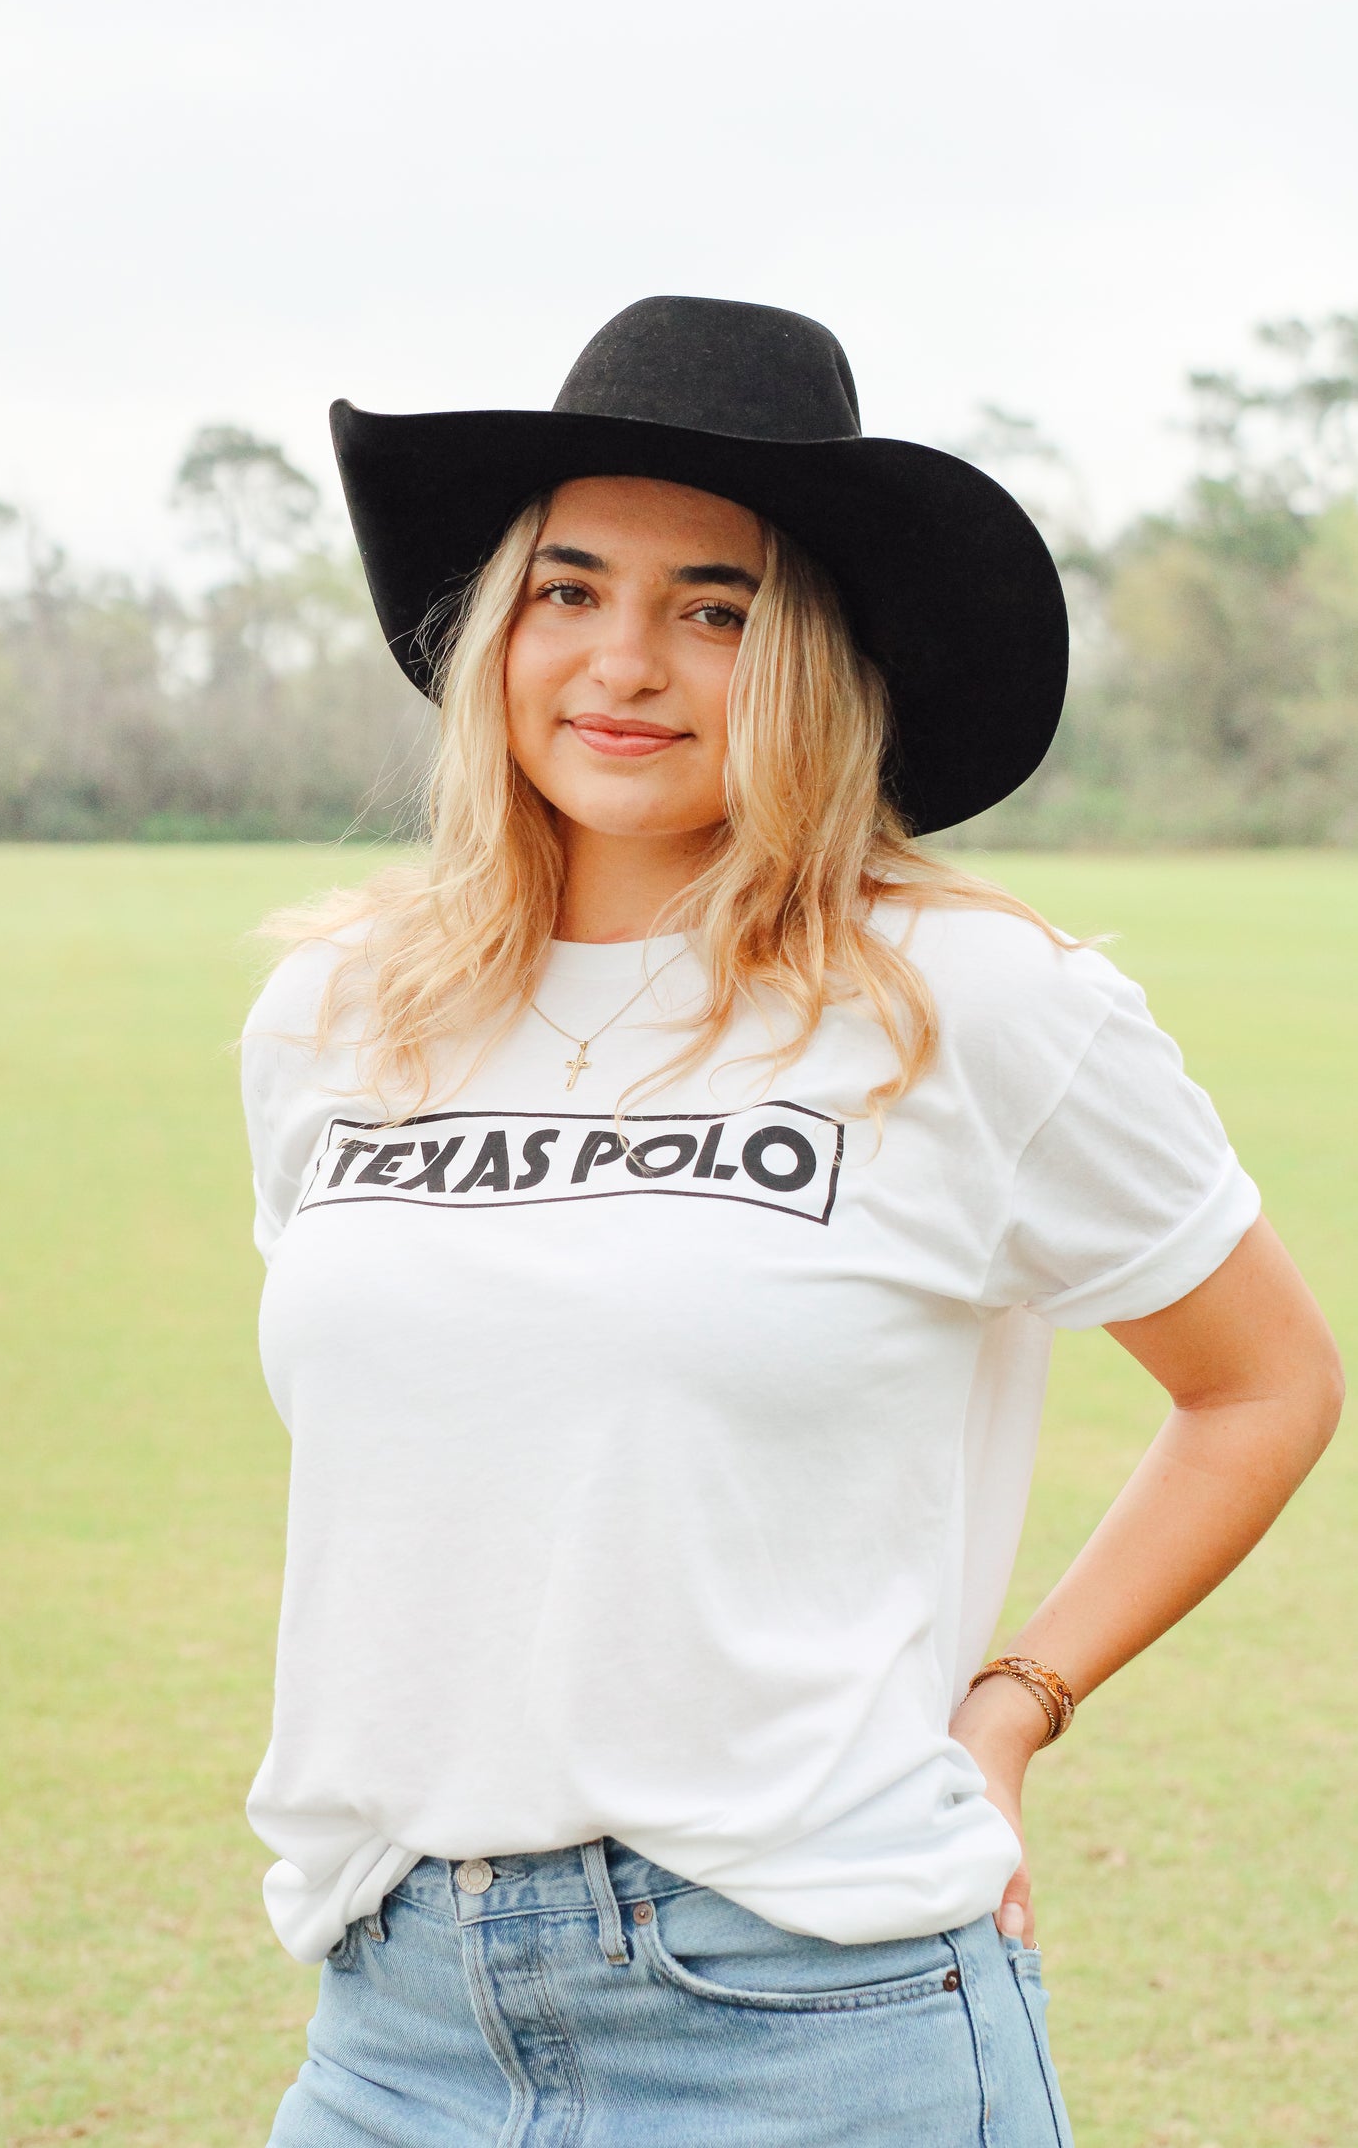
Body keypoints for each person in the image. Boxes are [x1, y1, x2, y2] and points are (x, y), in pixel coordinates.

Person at [240, 297, 1342, 2147]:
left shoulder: (975, 1001)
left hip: (806, 2012)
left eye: (716, 610)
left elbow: (1265, 1386)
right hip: (396, 2020)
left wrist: (1013, 1704)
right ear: (494, 624)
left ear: (815, 657)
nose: (625, 663)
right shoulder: (340, 1017)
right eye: (569, 588)